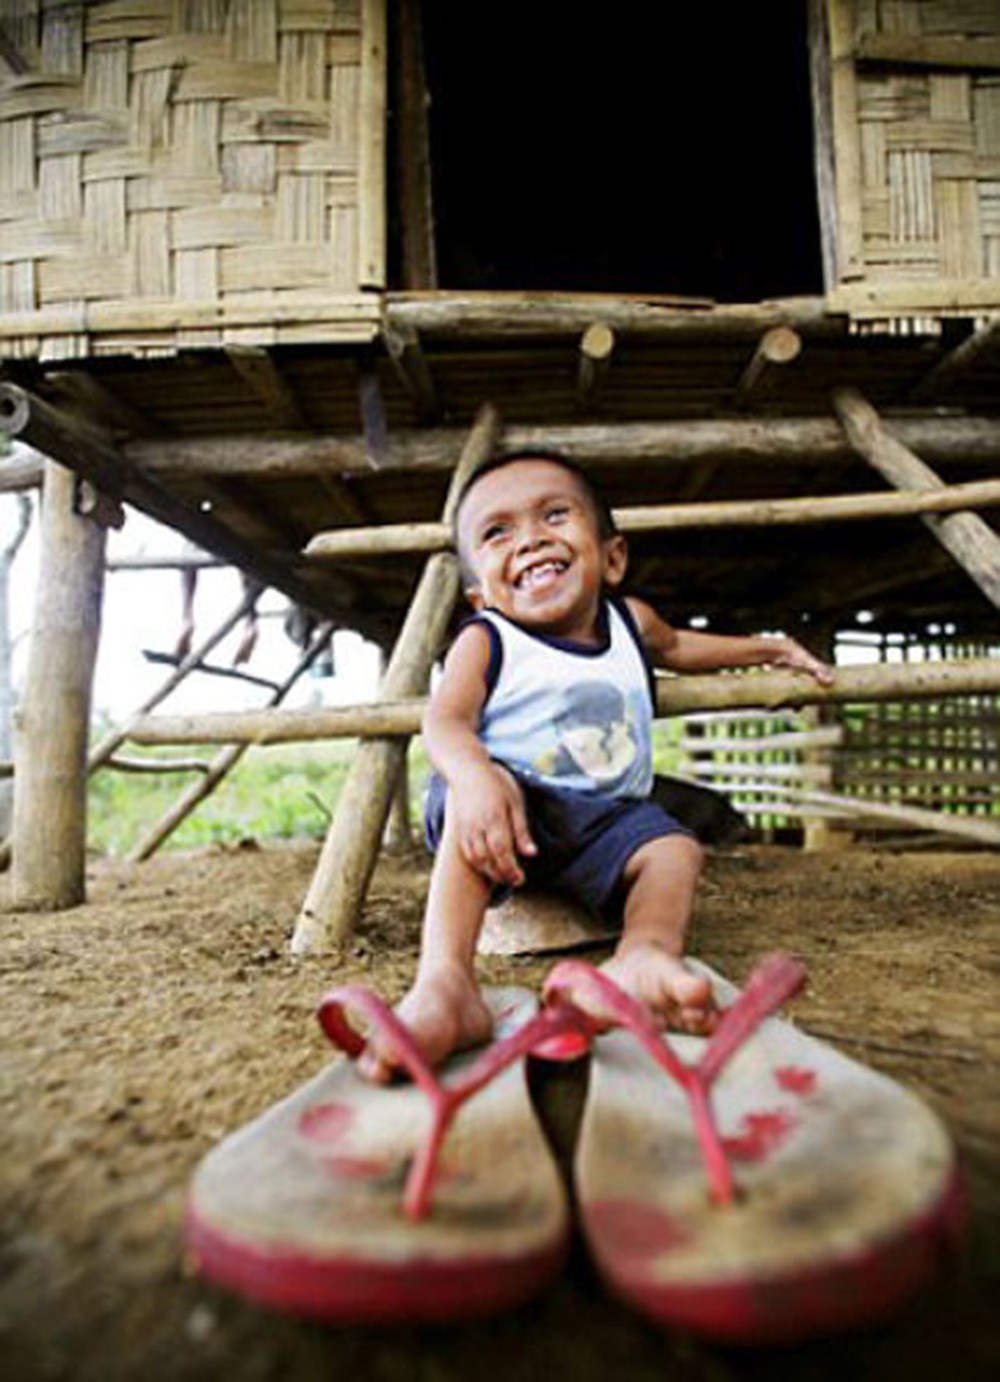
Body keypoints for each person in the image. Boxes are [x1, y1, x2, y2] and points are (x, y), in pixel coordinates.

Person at [360, 450, 834, 1081]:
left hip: (606, 822)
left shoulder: (630, 623)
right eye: (497, 532)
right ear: (481, 594)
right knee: (487, 781)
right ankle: (447, 984)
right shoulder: (487, 640)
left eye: (554, 514)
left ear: (612, 558)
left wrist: (767, 649)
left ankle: (642, 957)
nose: (530, 538)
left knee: (675, 847)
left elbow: (684, 647)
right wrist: (472, 778)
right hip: (504, 814)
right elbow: (445, 722)